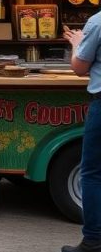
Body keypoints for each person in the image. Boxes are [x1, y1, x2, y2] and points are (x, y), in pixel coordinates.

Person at [62, 21, 101, 252]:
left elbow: (79, 67)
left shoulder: (97, 22)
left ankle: (94, 241)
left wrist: (77, 43)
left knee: (93, 173)